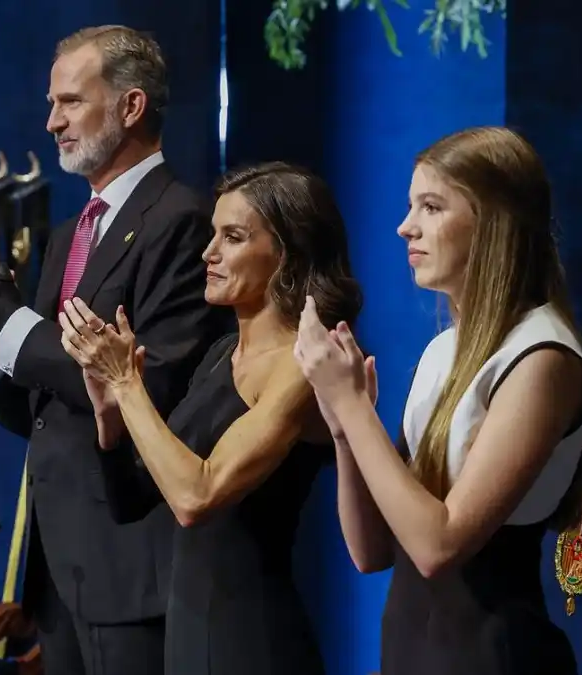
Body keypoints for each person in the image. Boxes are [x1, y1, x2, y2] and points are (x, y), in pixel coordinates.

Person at [0, 25, 230, 675]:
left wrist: (5, 319)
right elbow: (45, 407)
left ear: (131, 106)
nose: (50, 121)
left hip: (131, 563)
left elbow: (148, 385)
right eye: (51, 103)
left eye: (69, 102)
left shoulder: (182, 221)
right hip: (59, 569)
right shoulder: (69, 233)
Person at [294, 126, 582, 675]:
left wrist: (355, 406)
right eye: (412, 207)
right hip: (412, 650)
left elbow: (439, 546)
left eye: (431, 207)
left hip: (492, 655)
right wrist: (341, 423)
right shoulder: (442, 351)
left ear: (493, 222)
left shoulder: (542, 357)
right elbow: (373, 551)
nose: (406, 227)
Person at [57, 162, 362, 675]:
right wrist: (110, 413)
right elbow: (134, 498)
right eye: (212, 235)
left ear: (288, 254)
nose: (208, 253)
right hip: (188, 635)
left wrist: (130, 386)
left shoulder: (302, 365)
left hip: (252, 641)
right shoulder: (222, 353)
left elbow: (197, 496)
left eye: (233, 237)